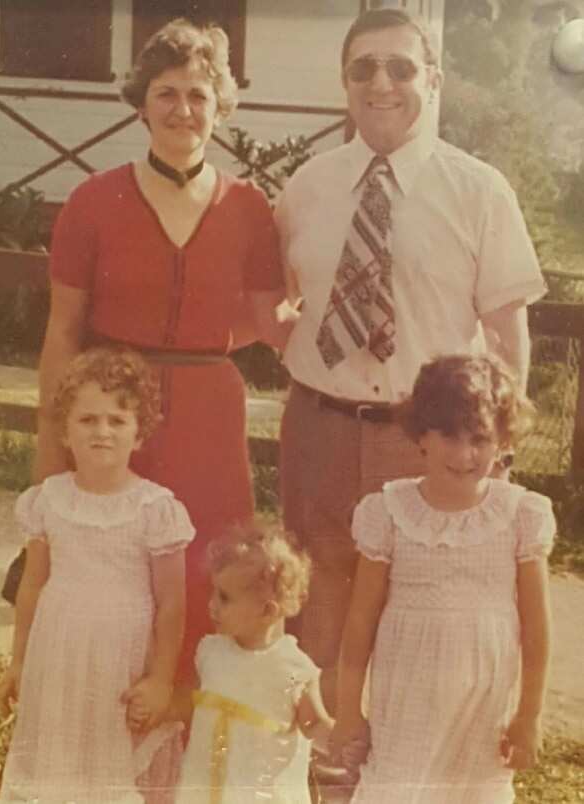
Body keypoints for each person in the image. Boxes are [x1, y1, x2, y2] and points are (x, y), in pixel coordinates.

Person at [274, 8, 548, 710]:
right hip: (322, 429)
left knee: (417, 612)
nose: (382, 83)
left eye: (401, 67)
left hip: (425, 439)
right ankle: (324, 768)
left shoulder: (480, 189)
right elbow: (275, 301)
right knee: (320, 604)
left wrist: (497, 449)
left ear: (434, 78)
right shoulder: (306, 186)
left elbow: (508, 334)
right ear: (345, 83)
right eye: (363, 68)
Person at [33, 18, 284, 688]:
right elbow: (63, 331)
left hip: (210, 415)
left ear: (220, 106)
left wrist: (213, 343)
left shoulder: (250, 207)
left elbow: (269, 318)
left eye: (199, 95)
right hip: (116, 409)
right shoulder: (92, 201)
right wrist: (55, 438)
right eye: (168, 93)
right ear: (142, 103)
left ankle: (190, 754)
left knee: (210, 569)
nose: (183, 109)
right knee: (109, 569)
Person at [331, 354, 555, 803]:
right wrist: (348, 708)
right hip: (408, 691)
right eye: (448, 436)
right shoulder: (389, 511)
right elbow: (360, 621)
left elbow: (536, 628)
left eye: (479, 439)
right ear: (421, 435)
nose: (464, 454)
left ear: (503, 441)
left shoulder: (520, 514)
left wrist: (529, 714)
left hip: (484, 699)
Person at [0, 348, 195, 803]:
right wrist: (20, 659)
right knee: (59, 756)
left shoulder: (154, 508)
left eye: (117, 420)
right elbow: (33, 585)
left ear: (139, 433)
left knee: (109, 760)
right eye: (87, 420)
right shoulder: (49, 499)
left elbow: (172, 604)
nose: (102, 431)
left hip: (120, 660)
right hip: (58, 651)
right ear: (65, 430)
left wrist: (162, 679)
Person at [176, 527, 334, 803]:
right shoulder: (211, 652)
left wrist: (340, 739)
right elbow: (191, 703)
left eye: (224, 598)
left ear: (267, 611)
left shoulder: (293, 667)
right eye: (213, 592)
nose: (212, 605)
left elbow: (314, 725)